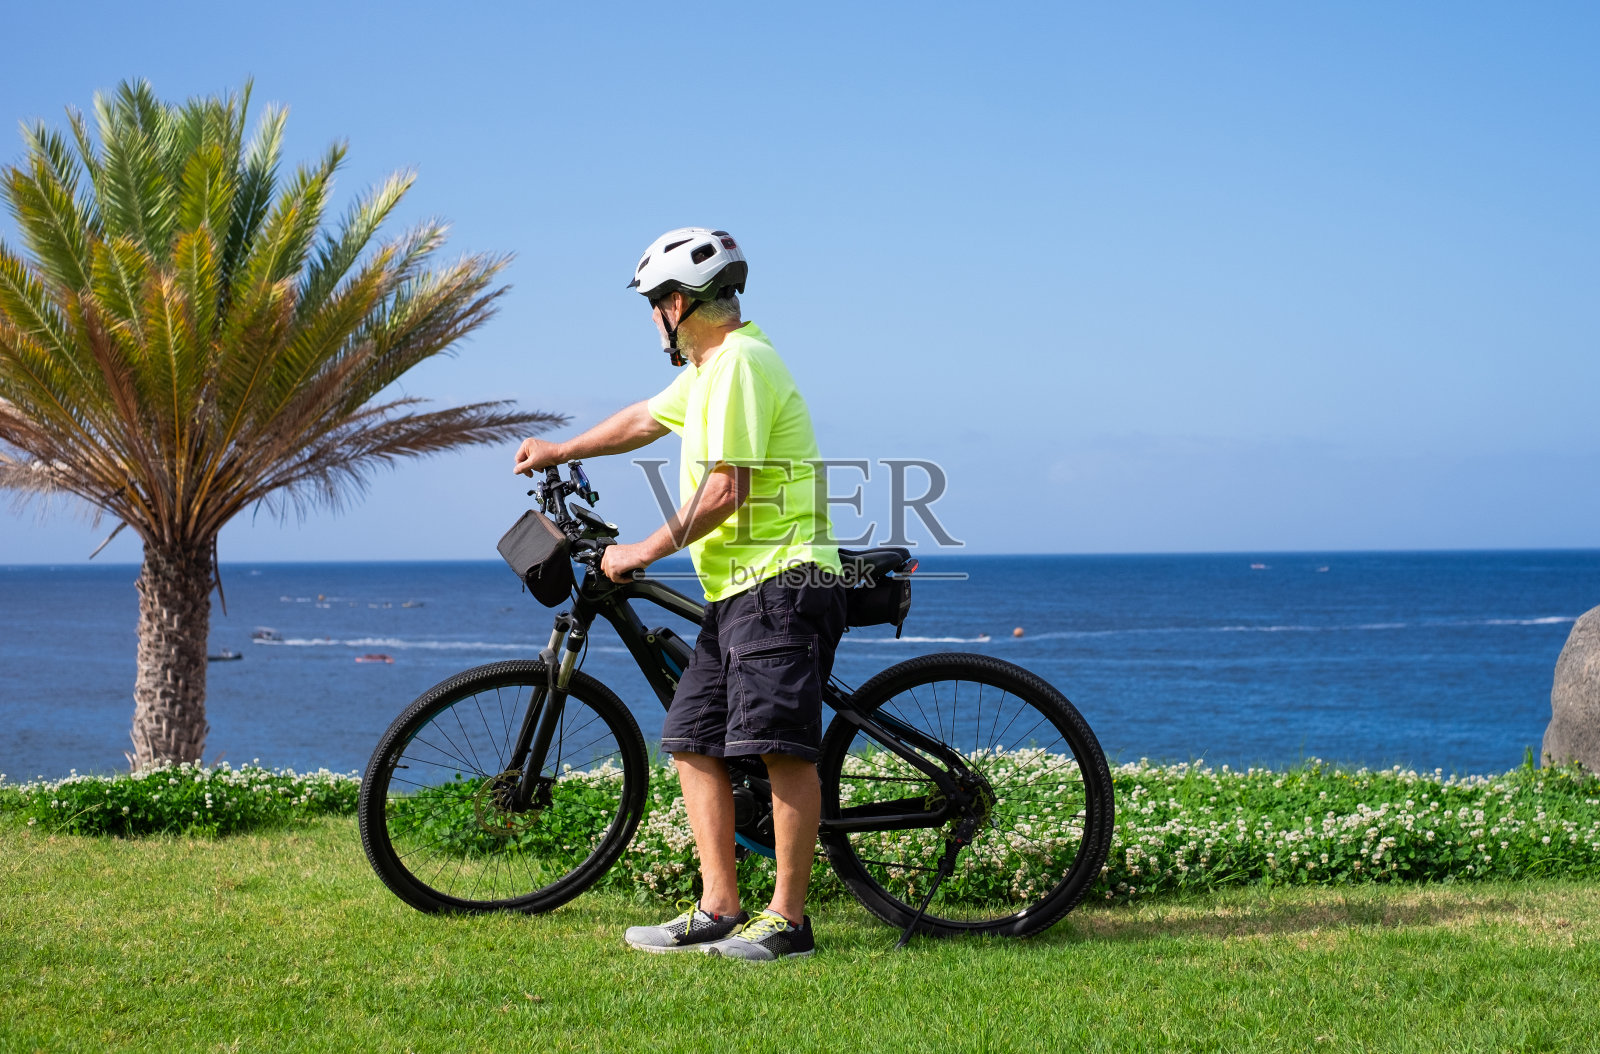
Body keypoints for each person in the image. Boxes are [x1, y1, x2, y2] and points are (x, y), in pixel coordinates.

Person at [512, 227, 845, 961]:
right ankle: (718, 907)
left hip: (783, 579)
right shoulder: (705, 372)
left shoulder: (741, 365)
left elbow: (727, 488)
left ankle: (788, 921)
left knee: (782, 749)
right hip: (737, 589)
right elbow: (641, 419)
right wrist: (561, 448)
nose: (652, 320)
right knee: (693, 740)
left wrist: (640, 551)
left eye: (652, 306)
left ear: (674, 303)